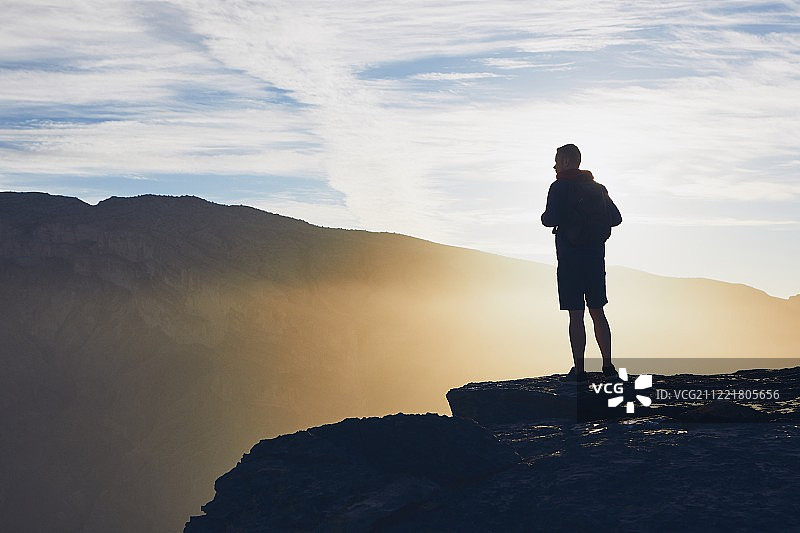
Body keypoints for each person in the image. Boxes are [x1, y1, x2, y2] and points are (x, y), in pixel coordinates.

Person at [541, 144, 622, 382]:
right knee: (598, 311)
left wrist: (549, 218)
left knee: (576, 315)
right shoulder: (597, 188)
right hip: (595, 258)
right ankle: (608, 366)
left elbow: (550, 219)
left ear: (566, 161)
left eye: (557, 160)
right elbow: (616, 218)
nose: (554, 165)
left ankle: (580, 370)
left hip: (568, 259)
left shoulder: (559, 187)